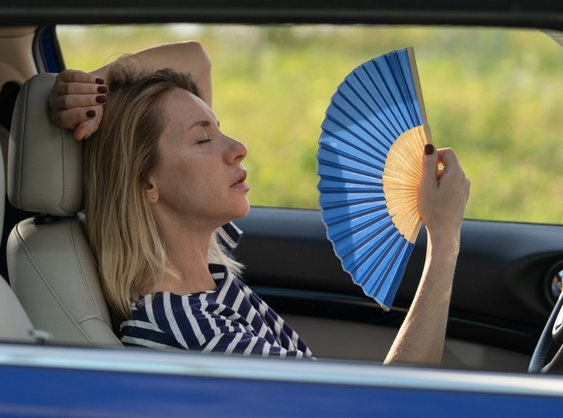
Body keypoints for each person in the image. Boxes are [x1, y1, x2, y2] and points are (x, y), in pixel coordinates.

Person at [48, 42, 470, 365]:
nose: (238, 148)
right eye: (203, 139)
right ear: (146, 183)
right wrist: (444, 240)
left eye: (221, 128)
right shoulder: (189, 328)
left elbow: (195, 59)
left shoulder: (204, 268)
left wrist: (96, 89)